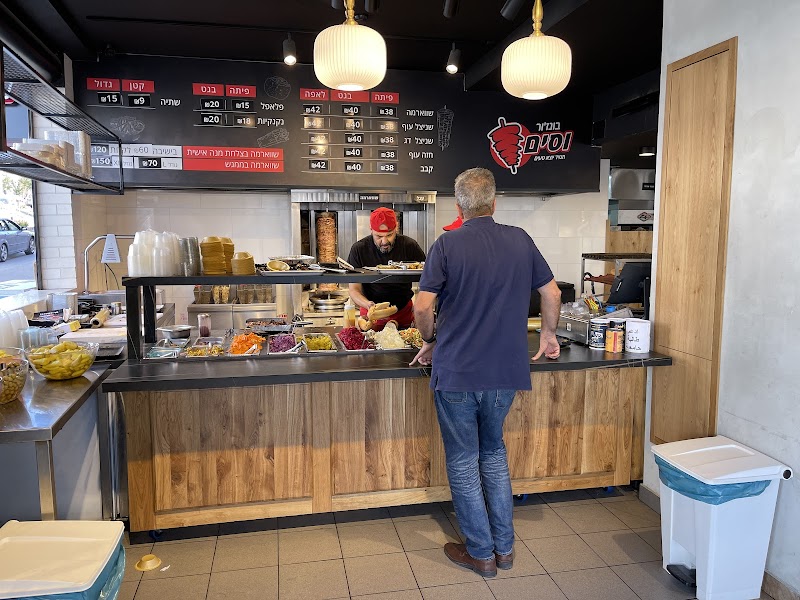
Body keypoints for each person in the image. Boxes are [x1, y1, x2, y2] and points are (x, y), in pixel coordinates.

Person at [411, 167, 562, 578]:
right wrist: (549, 334)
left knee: (463, 460)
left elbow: (422, 306)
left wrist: (430, 339)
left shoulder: (447, 244)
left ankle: (480, 553)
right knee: (493, 453)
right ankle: (504, 551)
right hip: (504, 373)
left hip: (458, 372)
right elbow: (552, 292)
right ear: (494, 203)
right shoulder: (520, 239)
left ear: (459, 207)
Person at [347, 207, 426, 330]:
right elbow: (354, 289)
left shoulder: (410, 246)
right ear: (371, 229)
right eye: (378, 236)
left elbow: (427, 279)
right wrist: (368, 304)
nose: (384, 241)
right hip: (371, 314)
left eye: (389, 235)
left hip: (403, 312)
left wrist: (420, 306)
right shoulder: (359, 249)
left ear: (396, 228)